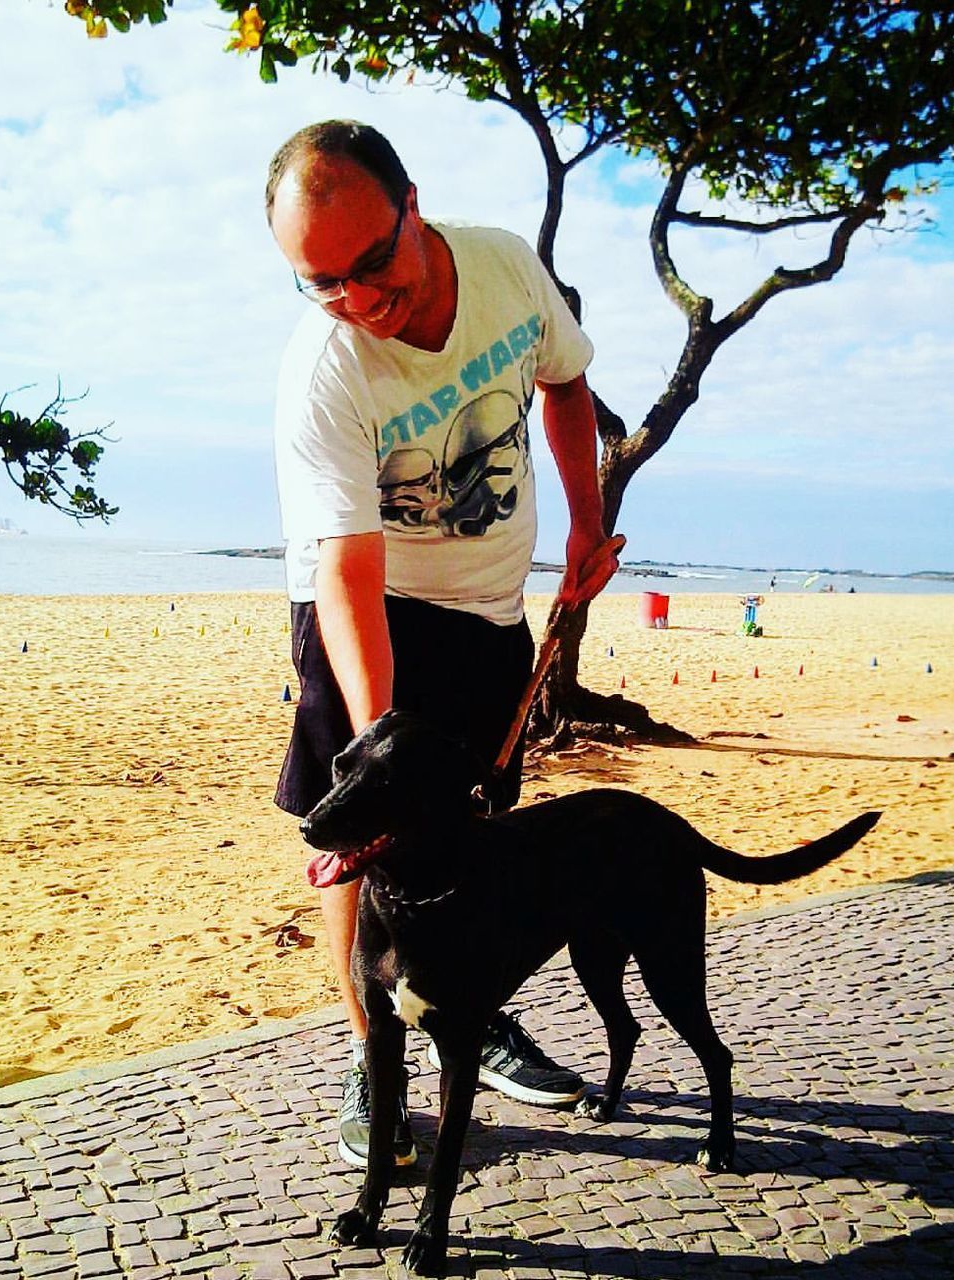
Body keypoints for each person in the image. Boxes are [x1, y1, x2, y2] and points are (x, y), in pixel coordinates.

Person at [267, 120, 624, 1168]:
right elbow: (347, 568)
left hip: (488, 608)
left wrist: (587, 526)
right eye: (322, 281)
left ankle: (469, 1007)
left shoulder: (507, 267)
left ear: (412, 204)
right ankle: (372, 1056)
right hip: (367, 601)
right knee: (357, 838)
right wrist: (381, 734)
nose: (360, 299)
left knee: (468, 832)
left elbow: (565, 381)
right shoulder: (325, 366)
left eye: (372, 264)